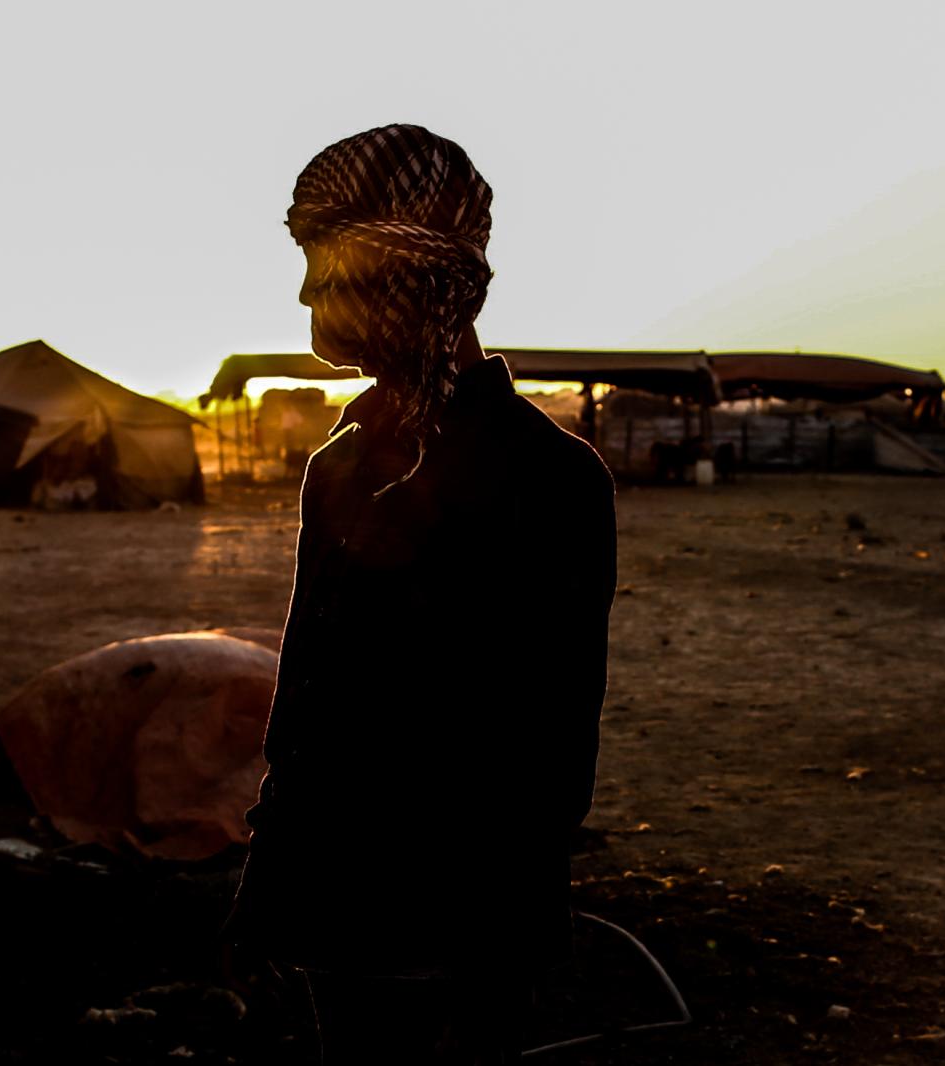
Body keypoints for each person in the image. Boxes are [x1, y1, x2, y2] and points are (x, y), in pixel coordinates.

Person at [225, 124, 617, 1064]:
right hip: (351, 907)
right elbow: (308, 701)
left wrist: (486, 939)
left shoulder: (548, 478)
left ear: (397, 279)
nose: (306, 297)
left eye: (325, 273)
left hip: (452, 929)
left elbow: (551, 744)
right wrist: (274, 884)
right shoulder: (343, 464)